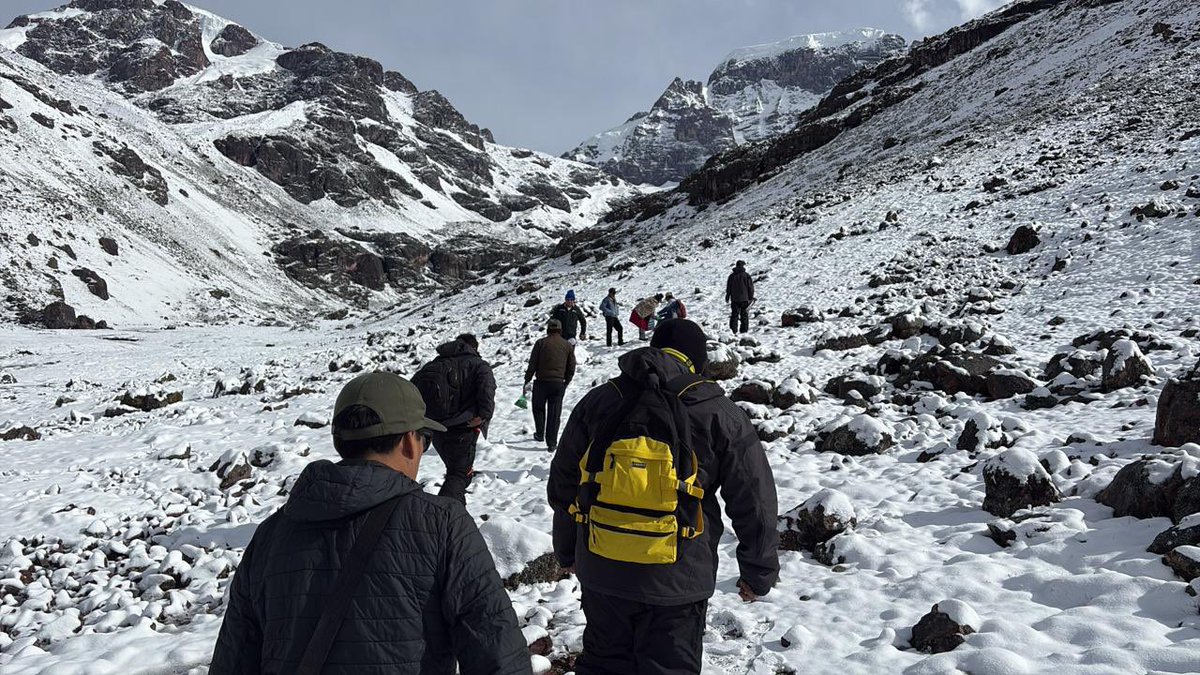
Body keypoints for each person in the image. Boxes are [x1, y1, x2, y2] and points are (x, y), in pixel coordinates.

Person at [210, 371, 530, 674]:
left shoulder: (270, 533)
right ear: (408, 441)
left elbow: (232, 660)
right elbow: (498, 651)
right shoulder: (444, 524)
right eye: (426, 440)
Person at [547, 319, 780, 674]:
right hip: (678, 578)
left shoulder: (601, 400)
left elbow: (564, 485)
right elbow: (754, 499)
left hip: (602, 564)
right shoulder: (718, 411)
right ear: (697, 362)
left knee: (603, 665)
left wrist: (568, 552)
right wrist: (758, 572)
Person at [412, 334, 496, 504]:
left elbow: (411, 390)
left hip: (434, 428)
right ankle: (448, 518)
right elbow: (487, 390)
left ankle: (452, 515)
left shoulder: (432, 365)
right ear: (474, 347)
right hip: (463, 427)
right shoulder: (479, 365)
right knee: (458, 475)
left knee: (454, 472)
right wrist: (484, 415)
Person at [523, 319, 576, 452]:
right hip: (558, 383)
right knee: (554, 413)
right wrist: (566, 381)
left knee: (538, 409)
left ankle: (540, 434)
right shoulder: (567, 345)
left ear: (548, 329)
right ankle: (551, 443)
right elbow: (571, 366)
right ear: (560, 329)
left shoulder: (540, 343)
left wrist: (527, 379)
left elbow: (532, 364)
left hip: (541, 383)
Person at [726, 260, 755, 334]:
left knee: (734, 315)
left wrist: (727, 296)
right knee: (744, 316)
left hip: (734, 299)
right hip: (744, 299)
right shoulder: (746, 275)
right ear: (742, 266)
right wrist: (750, 297)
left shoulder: (732, 276)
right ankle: (744, 332)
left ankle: (733, 331)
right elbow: (750, 287)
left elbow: (728, 287)